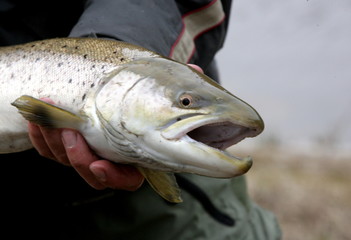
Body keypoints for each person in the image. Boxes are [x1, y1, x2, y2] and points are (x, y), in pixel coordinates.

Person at [0, 0, 281, 239]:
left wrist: (123, 42)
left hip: (144, 202)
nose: (185, 104)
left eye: (184, 102)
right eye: (185, 102)